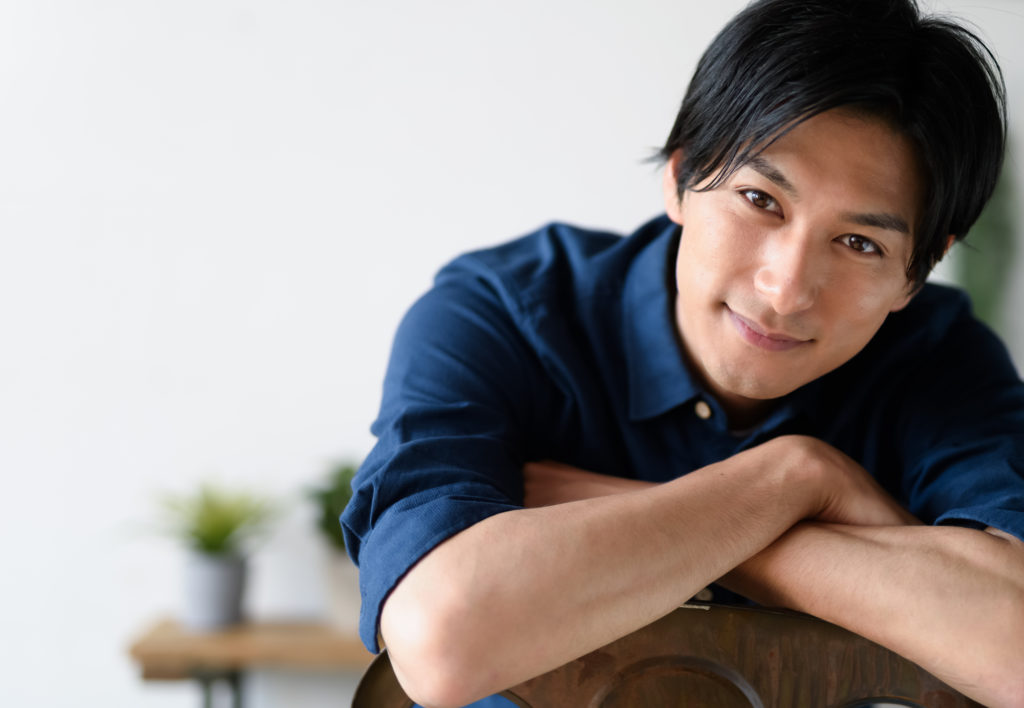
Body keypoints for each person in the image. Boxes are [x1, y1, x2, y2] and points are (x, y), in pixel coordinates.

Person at [342, 0, 1024, 705]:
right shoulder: (503, 313)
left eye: (860, 243)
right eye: (760, 199)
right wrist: (800, 479)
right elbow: (443, 641)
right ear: (679, 177)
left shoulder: (943, 360)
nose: (787, 289)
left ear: (917, 272)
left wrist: (701, 520)